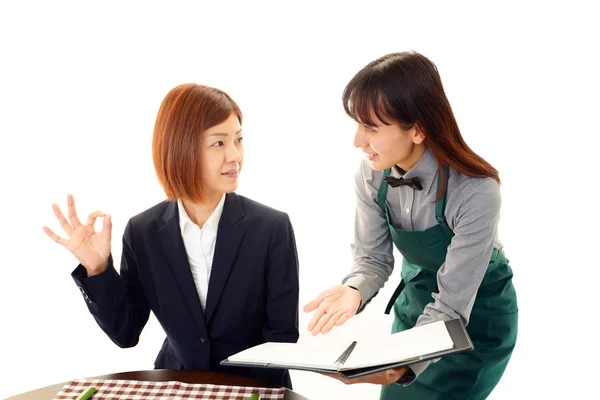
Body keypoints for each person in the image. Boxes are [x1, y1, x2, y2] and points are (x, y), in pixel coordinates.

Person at [43, 83, 300, 389]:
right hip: (175, 384)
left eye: (239, 139)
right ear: (182, 147)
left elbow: (281, 338)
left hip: (255, 389)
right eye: (219, 143)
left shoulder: (271, 227)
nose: (235, 156)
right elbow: (126, 333)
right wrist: (97, 270)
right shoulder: (143, 232)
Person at [303, 51, 518, 399]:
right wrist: (355, 290)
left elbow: (451, 306)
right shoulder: (372, 174)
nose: (358, 142)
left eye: (370, 128)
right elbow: (373, 259)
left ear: (418, 129)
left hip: (476, 323)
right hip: (415, 309)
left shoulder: (477, 190)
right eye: (358, 125)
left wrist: (402, 366)